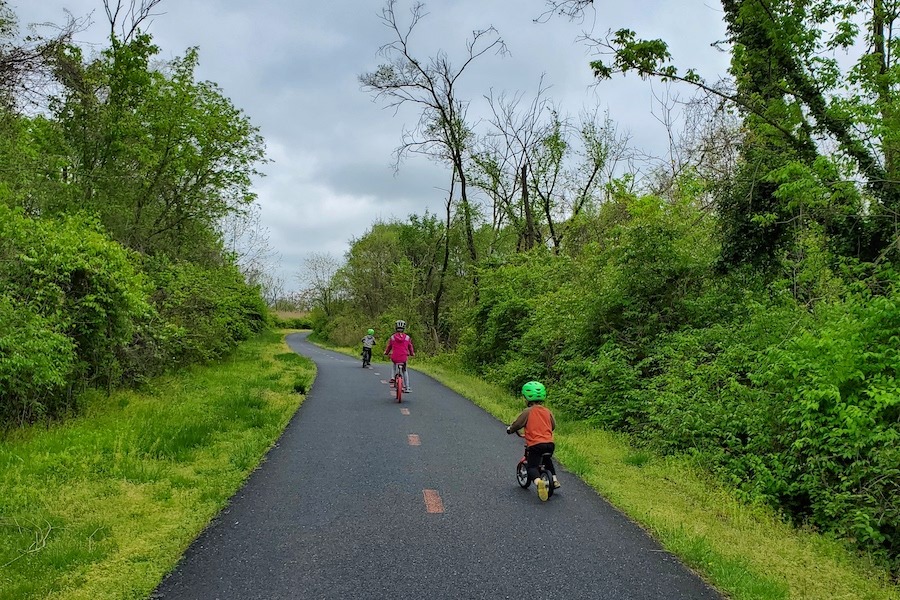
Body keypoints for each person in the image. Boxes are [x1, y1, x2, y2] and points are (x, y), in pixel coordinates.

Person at [507, 380, 559, 501]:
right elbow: (553, 425)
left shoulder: (528, 411)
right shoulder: (547, 411)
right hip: (550, 444)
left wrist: (510, 429)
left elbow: (518, 424)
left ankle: (538, 482)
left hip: (536, 444)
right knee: (547, 460)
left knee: (532, 466)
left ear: (526, 398)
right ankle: (555, 480)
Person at [384, 319, 414, 393]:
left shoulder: (393, 337)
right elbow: (410, 347)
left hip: (395, 356)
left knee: (394, 365)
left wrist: (386, 352)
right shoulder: (407, 338)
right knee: (405, 371)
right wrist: (412, 353)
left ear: (396, 328)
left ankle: (392, 377)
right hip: (403, 357)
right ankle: (407, 387)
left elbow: (389, 347)